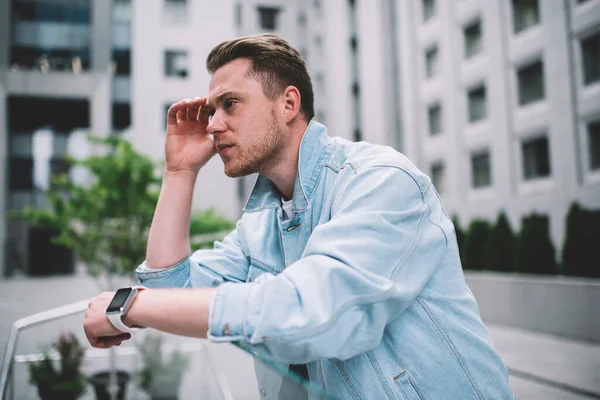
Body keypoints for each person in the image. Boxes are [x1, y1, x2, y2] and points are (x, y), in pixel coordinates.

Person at [84, 33, 514, 399]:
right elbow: (171, 288)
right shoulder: (262, 223)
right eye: (212, 109)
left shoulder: (381, 180)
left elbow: (311, 315)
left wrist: (130, 307)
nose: (212, 124)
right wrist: (179, 172)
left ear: (288, 103)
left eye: (230, 104)